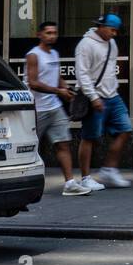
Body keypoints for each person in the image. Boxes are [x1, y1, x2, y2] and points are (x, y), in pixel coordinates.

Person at [26, 21, 89, 196]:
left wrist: (66, 88)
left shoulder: (54, 53)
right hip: (37, 109)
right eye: (48, 33)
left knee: (63, 143)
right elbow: (33, 83)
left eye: (54, 32)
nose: (52, 36)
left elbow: (57, 76)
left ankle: (69, 183)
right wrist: (58, 91)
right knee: (30, 147)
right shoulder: (33, 55)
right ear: (40, 35)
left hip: (54, 107)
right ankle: (26, 183)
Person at [75, 13, 133, 191]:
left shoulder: (111, 44)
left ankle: (109, 169)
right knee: (89, 137)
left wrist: (112, 88)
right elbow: (82, 74)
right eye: (111, 29)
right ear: (101, 26)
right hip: (94, 96)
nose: (114, 34)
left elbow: (109, 70)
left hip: (112, 96)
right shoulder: (85, 45)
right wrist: (93, 97)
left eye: (116, 31)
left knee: (125, 129)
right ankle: (85, 178)